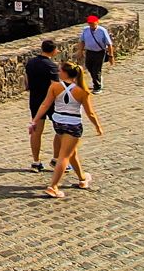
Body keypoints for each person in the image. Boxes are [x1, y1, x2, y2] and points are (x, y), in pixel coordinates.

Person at [29, 61, 104, 198]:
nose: (58, 73)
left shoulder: (55, 87)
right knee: (64, 156)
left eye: (60, 71)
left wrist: (35, 120)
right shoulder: (82, 90)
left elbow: (45, 105)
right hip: (72, 124)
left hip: (58, 123)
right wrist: (97, 126)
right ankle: (53, 186)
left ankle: (82, 178)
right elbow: (90, 112)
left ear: (65, 73)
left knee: (71, 152)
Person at [25, 39, 61, 171]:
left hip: (35, 100)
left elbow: (26, 82)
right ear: (53, 51)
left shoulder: (31, 63)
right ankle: (56, 159)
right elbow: (55, 86)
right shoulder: (51, 66)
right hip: (50, 102)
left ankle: (36, 161)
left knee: (36, 131)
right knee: (59, 130)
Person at [80, 15, 114, 93]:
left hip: (99, 52)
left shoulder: (102, 31)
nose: (91, 25)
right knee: (89, 67)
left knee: (96, 69)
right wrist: (80, 51)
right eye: (90, 23)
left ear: (97, 22)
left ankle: (97, 86)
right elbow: (82, 41)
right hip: (89, 52)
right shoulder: (86, 30)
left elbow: (109, 44)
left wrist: (111, 56)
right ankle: (98, 79)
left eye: (93, 23)